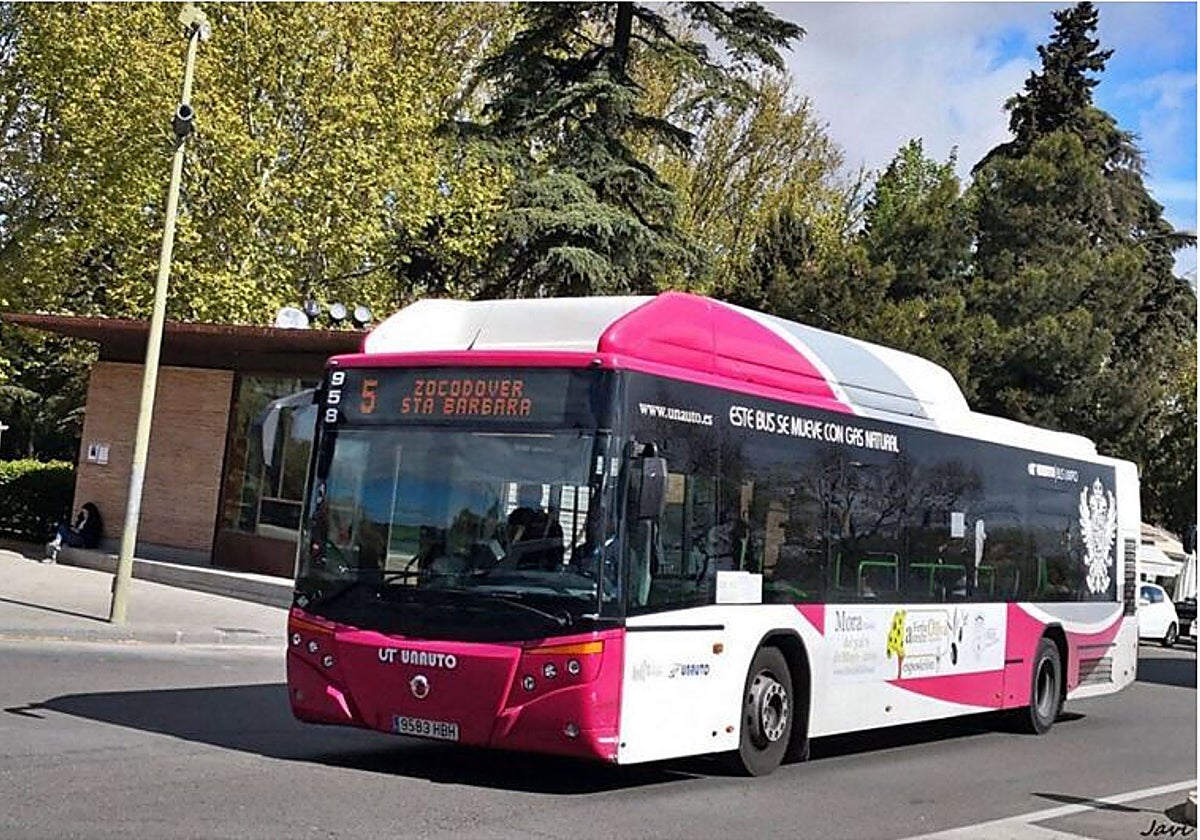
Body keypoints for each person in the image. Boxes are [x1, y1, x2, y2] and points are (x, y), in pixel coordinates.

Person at [505, 484, 563, 569]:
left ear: (539, 496)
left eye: (526, 493)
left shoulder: (551, 526)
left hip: (539, 574)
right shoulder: (512, 520)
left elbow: (556, 562)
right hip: (508, 572)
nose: (519, 496)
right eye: (520, 492)